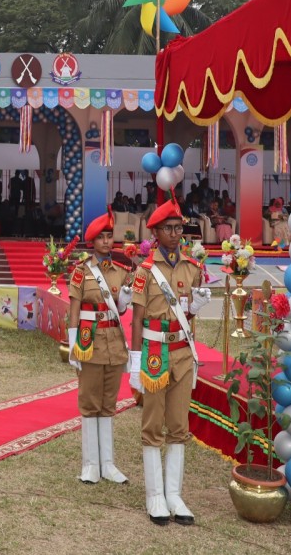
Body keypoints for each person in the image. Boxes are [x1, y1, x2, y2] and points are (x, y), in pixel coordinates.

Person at [128, 198, 209, 526]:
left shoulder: (193, 267)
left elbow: (190, 314)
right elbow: (136, 320)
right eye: (169, 228)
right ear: (156, 232)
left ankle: (174, 494)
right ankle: (155, 495)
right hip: (154, 353)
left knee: (178, 424)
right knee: (153, 424)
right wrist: (135, 362)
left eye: (179, 228)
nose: (176, 234)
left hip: (182, 353)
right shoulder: (145, 272)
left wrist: (197, 307)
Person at [67, 208, 133, 485]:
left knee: (109, 404)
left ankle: (108, 463)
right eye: (101, 237)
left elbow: (121, 309)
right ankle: (91, 464)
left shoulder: (122, 271)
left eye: (109, 236)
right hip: (89, 343)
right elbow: (73, 310)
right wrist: (72, 345)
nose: (106, 242)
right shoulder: (82, 273)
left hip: (115, 344)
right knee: (90, 402)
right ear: (92, 242)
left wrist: (126, 299)